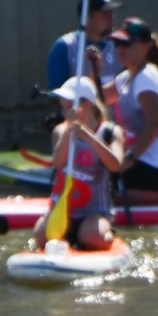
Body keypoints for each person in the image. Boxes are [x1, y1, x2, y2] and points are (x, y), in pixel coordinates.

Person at [31, 76, 123, 250]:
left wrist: (88, 136)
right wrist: (69, 132)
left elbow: (115, 165)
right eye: (63, 107)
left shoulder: (110, 132)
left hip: (94, 212)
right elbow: (58, 162)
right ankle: (67, 239)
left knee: (90, 237)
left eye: (68, 107)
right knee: (42, 237)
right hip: (62, 209)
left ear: (86, 105)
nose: (65, 113)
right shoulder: (60, 130)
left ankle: (106, 235)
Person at [109, 17, 158, 205]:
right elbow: (98, 97)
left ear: (145, 47)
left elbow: (154, 123)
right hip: (149, 161)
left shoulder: (146, 77)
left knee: (107, 195)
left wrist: (129, 159)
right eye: (118, 43)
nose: (121, 49)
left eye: (127, 44)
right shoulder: (125, 78)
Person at [45, 0, 122, 92]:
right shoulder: (64, 47)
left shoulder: (120, 44)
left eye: (111, 12)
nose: (111, 17)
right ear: (87, 17)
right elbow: (55, 96)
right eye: (105, 13)